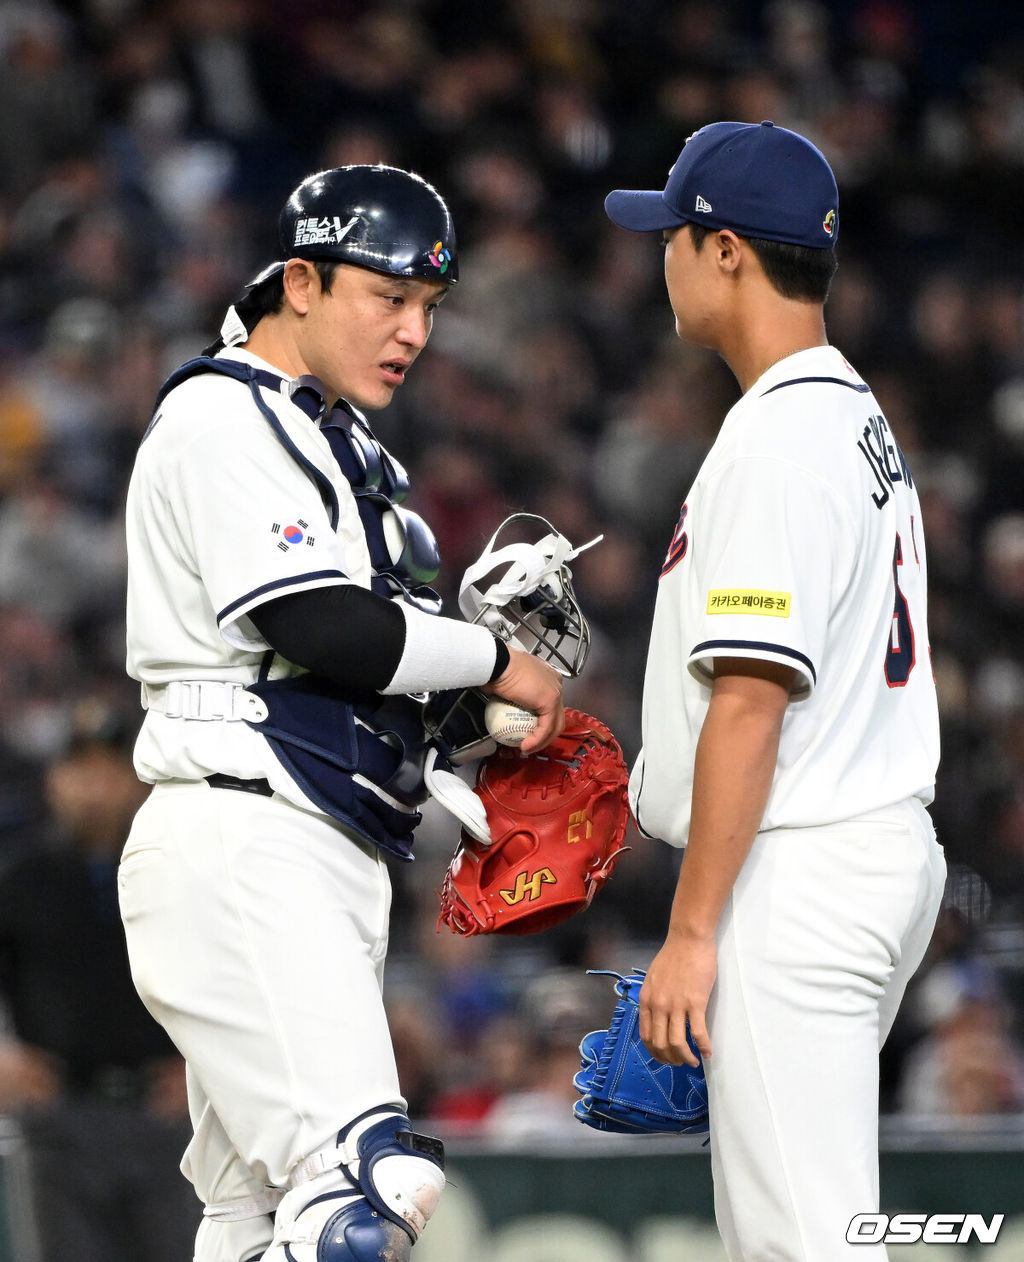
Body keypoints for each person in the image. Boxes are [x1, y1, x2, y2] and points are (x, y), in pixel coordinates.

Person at [118, 164, 564, 1262]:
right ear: (303, 280)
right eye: (388, 296)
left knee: (256, 1225)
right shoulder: (224, 412)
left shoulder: (333, 438)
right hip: (242, 831)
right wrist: (497, 657)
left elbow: (351, 669)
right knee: (361, 1199)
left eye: (428, 306)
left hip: (308, 837)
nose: (413, 330)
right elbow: (321, 626)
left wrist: (468, 712)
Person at [603, 121, 946, 1259]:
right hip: (864, 846)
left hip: (794, 870)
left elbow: (752, 698)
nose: (660, 255)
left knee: (804, 1243)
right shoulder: (847, 414)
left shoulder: (775, 443)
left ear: (727, 252)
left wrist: (692, 930)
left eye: (673, 233)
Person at [0, 709, 198, 1262]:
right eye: (77, 772)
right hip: (59, 1118)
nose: (92, 789)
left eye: (107, 772)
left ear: (135, 780)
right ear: (52, 783)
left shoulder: (179, 870)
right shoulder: (22, 879)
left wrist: (204, 1069)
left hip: (165, 1116)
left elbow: (223, 977)